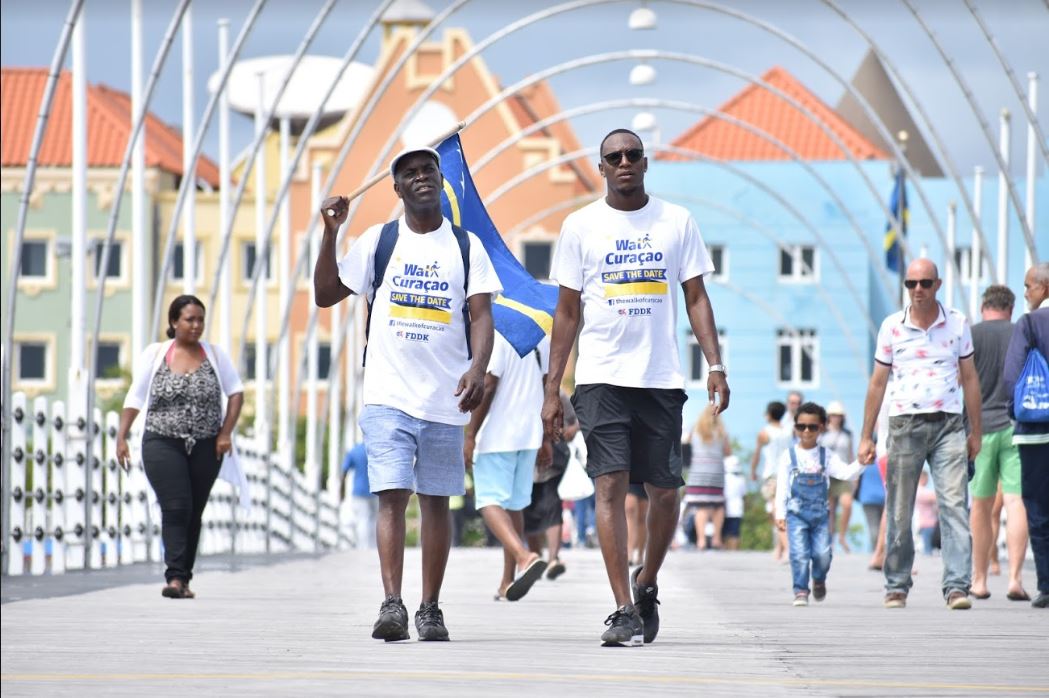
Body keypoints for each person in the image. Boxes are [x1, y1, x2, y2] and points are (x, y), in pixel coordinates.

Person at [542, 128, 729, 647]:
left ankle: (646, 582)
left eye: (632, 155)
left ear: (645, 163)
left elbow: (696, 297)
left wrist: (716, 363)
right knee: (609, 484)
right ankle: (623, 607)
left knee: (665, 491)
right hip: (601, 377)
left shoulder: (676, 221)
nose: (624, 162)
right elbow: (567, 311)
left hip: (660, 377)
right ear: (601, 168)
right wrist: (552, 389)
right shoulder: (580, 226)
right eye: (613, 157)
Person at [314, 145, 501, 642]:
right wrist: (331, 233)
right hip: (387, 394)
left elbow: (482, 316)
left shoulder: (466, 247)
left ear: (441, 180)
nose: (421, 177)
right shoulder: (380, 240)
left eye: (428, 171)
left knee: (437, 502)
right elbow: (326, 294)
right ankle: (392, 604)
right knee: (392, 497)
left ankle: (431, 608)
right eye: (410, 174)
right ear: (395, 188)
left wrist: (478, 368)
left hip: (446, 396)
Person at [858, 258, 981, 610]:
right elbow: (878, 382)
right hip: (904, 424)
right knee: (899, 508)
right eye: (911, 284)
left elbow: (970, 378)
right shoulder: (891, 327)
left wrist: (977, 431)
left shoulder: (956, 323)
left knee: (954, 505)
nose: (918, 290)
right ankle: (896, 584)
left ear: (937, 285)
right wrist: (866, 436)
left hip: (948, 425)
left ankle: (957, 586)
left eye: (925, 283)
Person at [115, 295, 245, 599]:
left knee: (194, 510)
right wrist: (122, 436)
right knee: (176, 506)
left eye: (200, 319)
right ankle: (174, 577)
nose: (196, 325)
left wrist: (226, 433)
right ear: (174, 322)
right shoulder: (157, 354)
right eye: (190, 319)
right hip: (161, 440)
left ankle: (184, 578)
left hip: (206, 443)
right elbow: (135, 397)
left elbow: (236, 392)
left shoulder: (214, 355)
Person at [465, 333, 549, 601]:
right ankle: (506, 580)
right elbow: (548, 384)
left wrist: (469, 435)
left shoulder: (498, 334)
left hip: (497, 433)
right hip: (529, 434)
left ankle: (524, 557)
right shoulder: (541, 333)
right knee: (514, 505)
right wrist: (545, 437)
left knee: (489, 501)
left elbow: (488, 384)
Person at [968, 284, 1029, 601]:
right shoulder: (1022, 332)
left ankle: (979, 580)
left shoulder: (971, 334)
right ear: (1011, 307)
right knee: (1016, 502)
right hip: (1017, 426)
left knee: (980, 504)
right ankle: (1015, 578)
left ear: (983, 307)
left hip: (979, 430)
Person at [775, 402, 867, 606]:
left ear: (822, 427)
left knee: (823, 554)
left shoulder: (827, 456)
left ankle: (819, 578)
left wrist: (862, 463)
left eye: (812, 427)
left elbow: (845, 473)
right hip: (796, 514)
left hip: (820, 516)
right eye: (801, 426)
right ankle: (800, 590)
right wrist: (779, 514)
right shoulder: (789, 456)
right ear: (795, 427)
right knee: (798, 554)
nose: (806, 431)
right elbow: (782, 487)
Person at [1002, 262, 1049, 609]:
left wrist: (1013, 409)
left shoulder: (1030, 323)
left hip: (1035, 431)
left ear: (1044, 288)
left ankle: (1047, 584)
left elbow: (1011, 375)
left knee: (1038, 507)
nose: (1025, 293)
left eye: (1029, 286)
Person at [523, 391, 577, 580]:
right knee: (528, 512)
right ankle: (536, 559)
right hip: (526, 462)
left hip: (551, 462)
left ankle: (552, 558)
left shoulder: (559, 396)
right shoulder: (523, 392)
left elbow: (574, 422)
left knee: (552, 508)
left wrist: (566, 431)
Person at [684, 404, 732, 550]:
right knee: (718, 505)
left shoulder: (695, 430)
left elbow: (686, 447)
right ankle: (717, 539)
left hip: (698, 471)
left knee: (701, 507)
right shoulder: (722, 432)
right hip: (716, 471)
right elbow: (728, 452)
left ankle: (701, 540)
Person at [750, 401, 790, 561]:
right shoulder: (789, 430)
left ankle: (787, 548)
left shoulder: (764, 432)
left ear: (769, 414)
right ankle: (779, 548)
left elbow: (757, 454)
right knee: (778, 510)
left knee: (776, 511)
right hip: (787, 473)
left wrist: (753, 470)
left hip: (772, 474)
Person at [820, 401, 855, 553]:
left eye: (838, 415)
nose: (836, 418)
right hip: (826, 474)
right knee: (830, 509)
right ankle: (830, 540)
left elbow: (850, 454)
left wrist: (855, 475)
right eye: (833, 415)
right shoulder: (822, 433)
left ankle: (842, 535)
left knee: (847, 504)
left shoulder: (847, 434)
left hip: (843, 473)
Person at [342, 443, 377, 550]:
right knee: (375, 519)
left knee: (362, 519)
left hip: (359, 491)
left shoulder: (354, 451)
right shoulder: (375, 449)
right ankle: (373, 545)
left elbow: (344, 471)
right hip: (376, 490)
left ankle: (363, 546)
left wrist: (341, 491)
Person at [722, 456, 746, 551]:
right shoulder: (741, 479)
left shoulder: (723, 478)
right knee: (735, 533)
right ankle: (734, 551)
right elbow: (744, 495)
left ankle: (725, 550)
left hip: (725, 508)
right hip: (737, 509)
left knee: (724, 533)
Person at [915, 470, 938, 556]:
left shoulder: (921, 490)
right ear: (922, 478)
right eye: (926, 478)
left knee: (928, 548)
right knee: (928, 550)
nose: (928, 481)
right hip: (927, 523)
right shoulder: (921, 491)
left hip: (926, 523)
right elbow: (936, 497)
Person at [625, 484, 649, 567]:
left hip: (646, 474)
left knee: (642, 515)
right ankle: (629, 552)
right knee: (630, 508)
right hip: (629, 473)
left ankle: (640, 553)